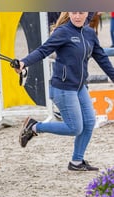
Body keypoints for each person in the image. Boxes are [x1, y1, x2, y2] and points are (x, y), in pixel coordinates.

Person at [15, 12, 114, 171]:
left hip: (79, 87)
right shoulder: (62, 32)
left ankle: (76, 162)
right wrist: (23, 62)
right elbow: (42, 51)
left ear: (87, 14)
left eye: (81, 13)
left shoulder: (89, 33)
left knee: (89, 122)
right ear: (68, 13)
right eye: (74, 12)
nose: (77, 16)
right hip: (62, 88)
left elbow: (102, 58)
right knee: (75, 127)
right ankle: (34, 127)